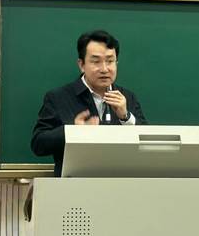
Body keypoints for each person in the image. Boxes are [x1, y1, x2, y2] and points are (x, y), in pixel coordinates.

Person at [31, 30, 148, 176]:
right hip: (75, 184)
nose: (104, 69)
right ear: (81, 64)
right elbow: (38, 144)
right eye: (96, 61)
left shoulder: (128, 97)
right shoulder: (58, 98)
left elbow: (148, 144)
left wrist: (126, 117)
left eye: (110, 61)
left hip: (121, 182)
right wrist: (72, 131)